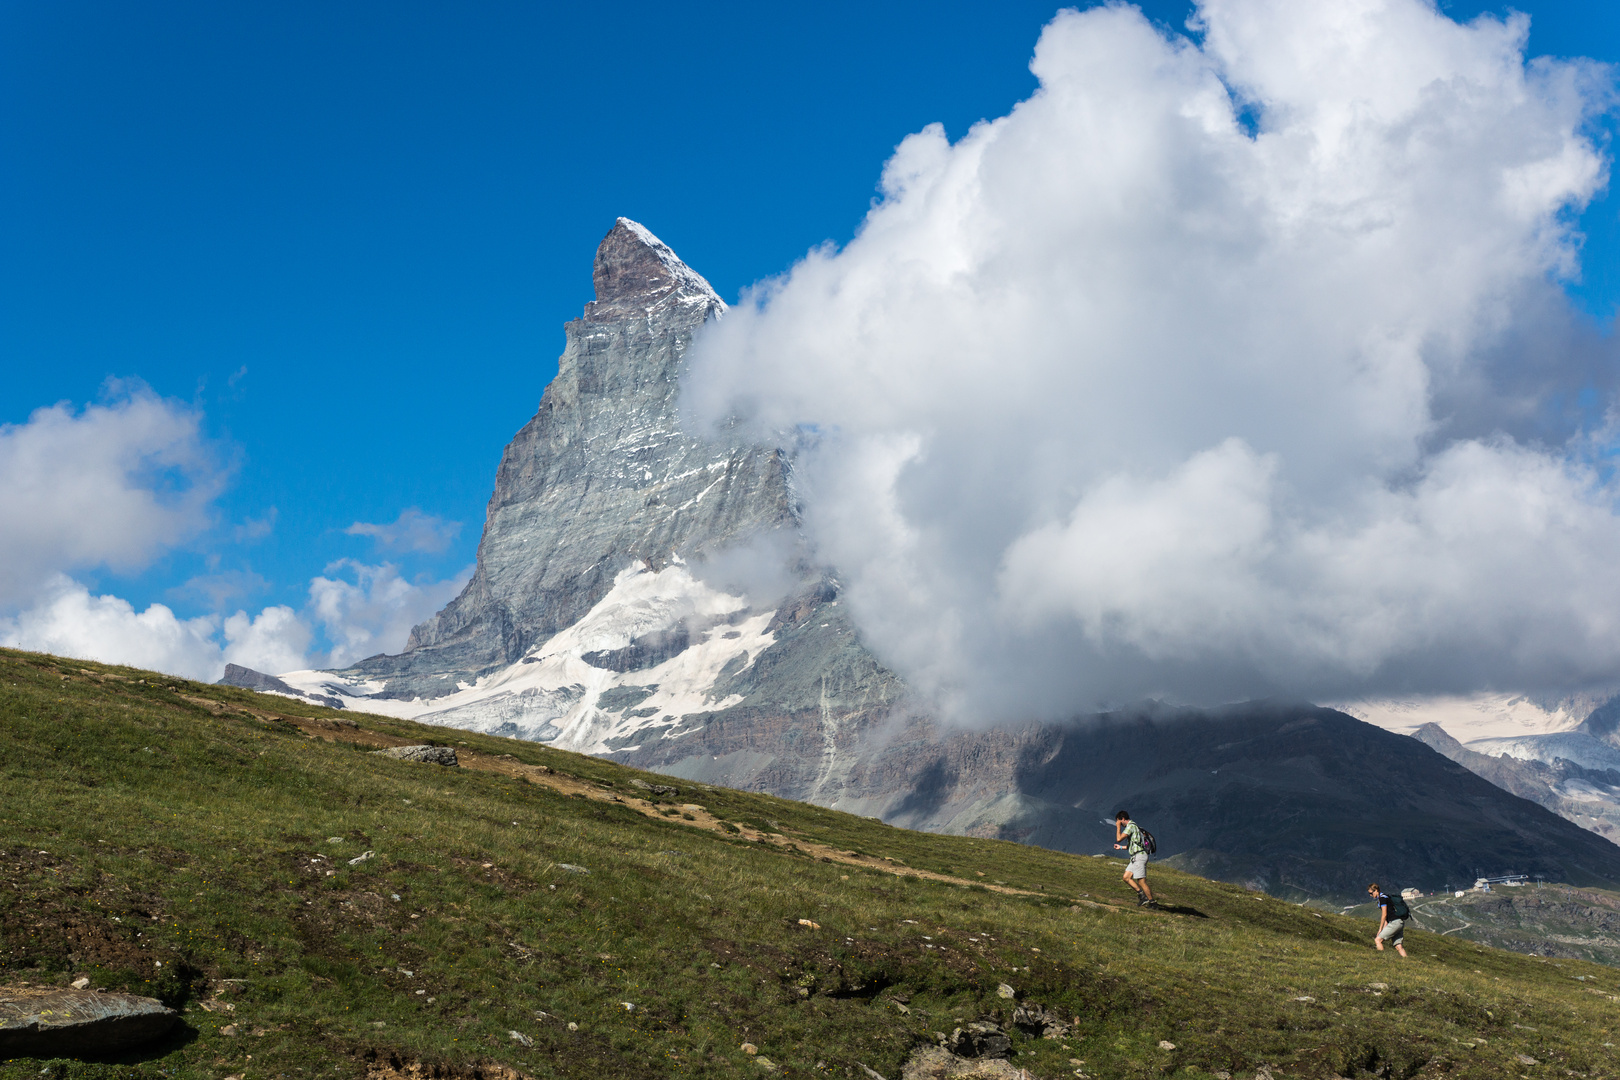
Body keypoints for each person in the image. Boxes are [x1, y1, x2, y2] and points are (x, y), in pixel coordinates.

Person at [1113, 810, 1155, 907]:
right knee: (1126, 877)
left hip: (1139, 856)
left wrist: (1118, 827)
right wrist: (1120, 848)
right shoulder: (1133, 827)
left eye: (1119, 821)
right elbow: (1132, 845)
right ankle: (1142, 896)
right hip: (1135, 856)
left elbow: (1119, 839)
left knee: (1141, 881)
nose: (1119, 823)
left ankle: (1152, 902)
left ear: (1122, 819)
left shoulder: (1131, 826)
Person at [1368, 882, 1408, 957]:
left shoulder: (1382, 899)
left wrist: (1380, 930)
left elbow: (1384, 915)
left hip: (1394, 923)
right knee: (1398, 946)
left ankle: (1382, 959)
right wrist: (1384, 929)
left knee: (1377, 940)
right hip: (1399, 922)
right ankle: (1408, 961)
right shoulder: (1386, 897)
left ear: (1376, 890)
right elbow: (1387, 918)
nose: (1370, 895)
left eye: (1371, 893)